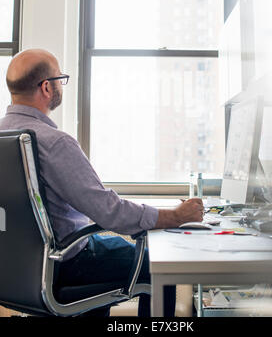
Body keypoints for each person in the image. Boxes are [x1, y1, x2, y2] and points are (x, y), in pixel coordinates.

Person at [0, 49, 204, 317]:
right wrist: (176, 216)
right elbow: (111, 213)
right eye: (61, 78)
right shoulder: (55, 143)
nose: (62, 85)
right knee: (158, 265)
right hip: (66, 264)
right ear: (47, 87)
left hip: (14, 271)